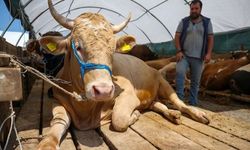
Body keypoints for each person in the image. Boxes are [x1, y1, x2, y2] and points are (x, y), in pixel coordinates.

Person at [174, 0, 214, 105]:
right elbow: (177, 36)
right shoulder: (184, 21)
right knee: (180, 73)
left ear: (200, 9)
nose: (194, 11)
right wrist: (179, 50)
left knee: (195, 81)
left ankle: (193, 101)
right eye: (192, 9)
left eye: (196, 9)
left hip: (199, 57)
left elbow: (210, 38)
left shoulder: (207, 22)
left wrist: (209, 53)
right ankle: (179, 100)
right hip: (184, 55)